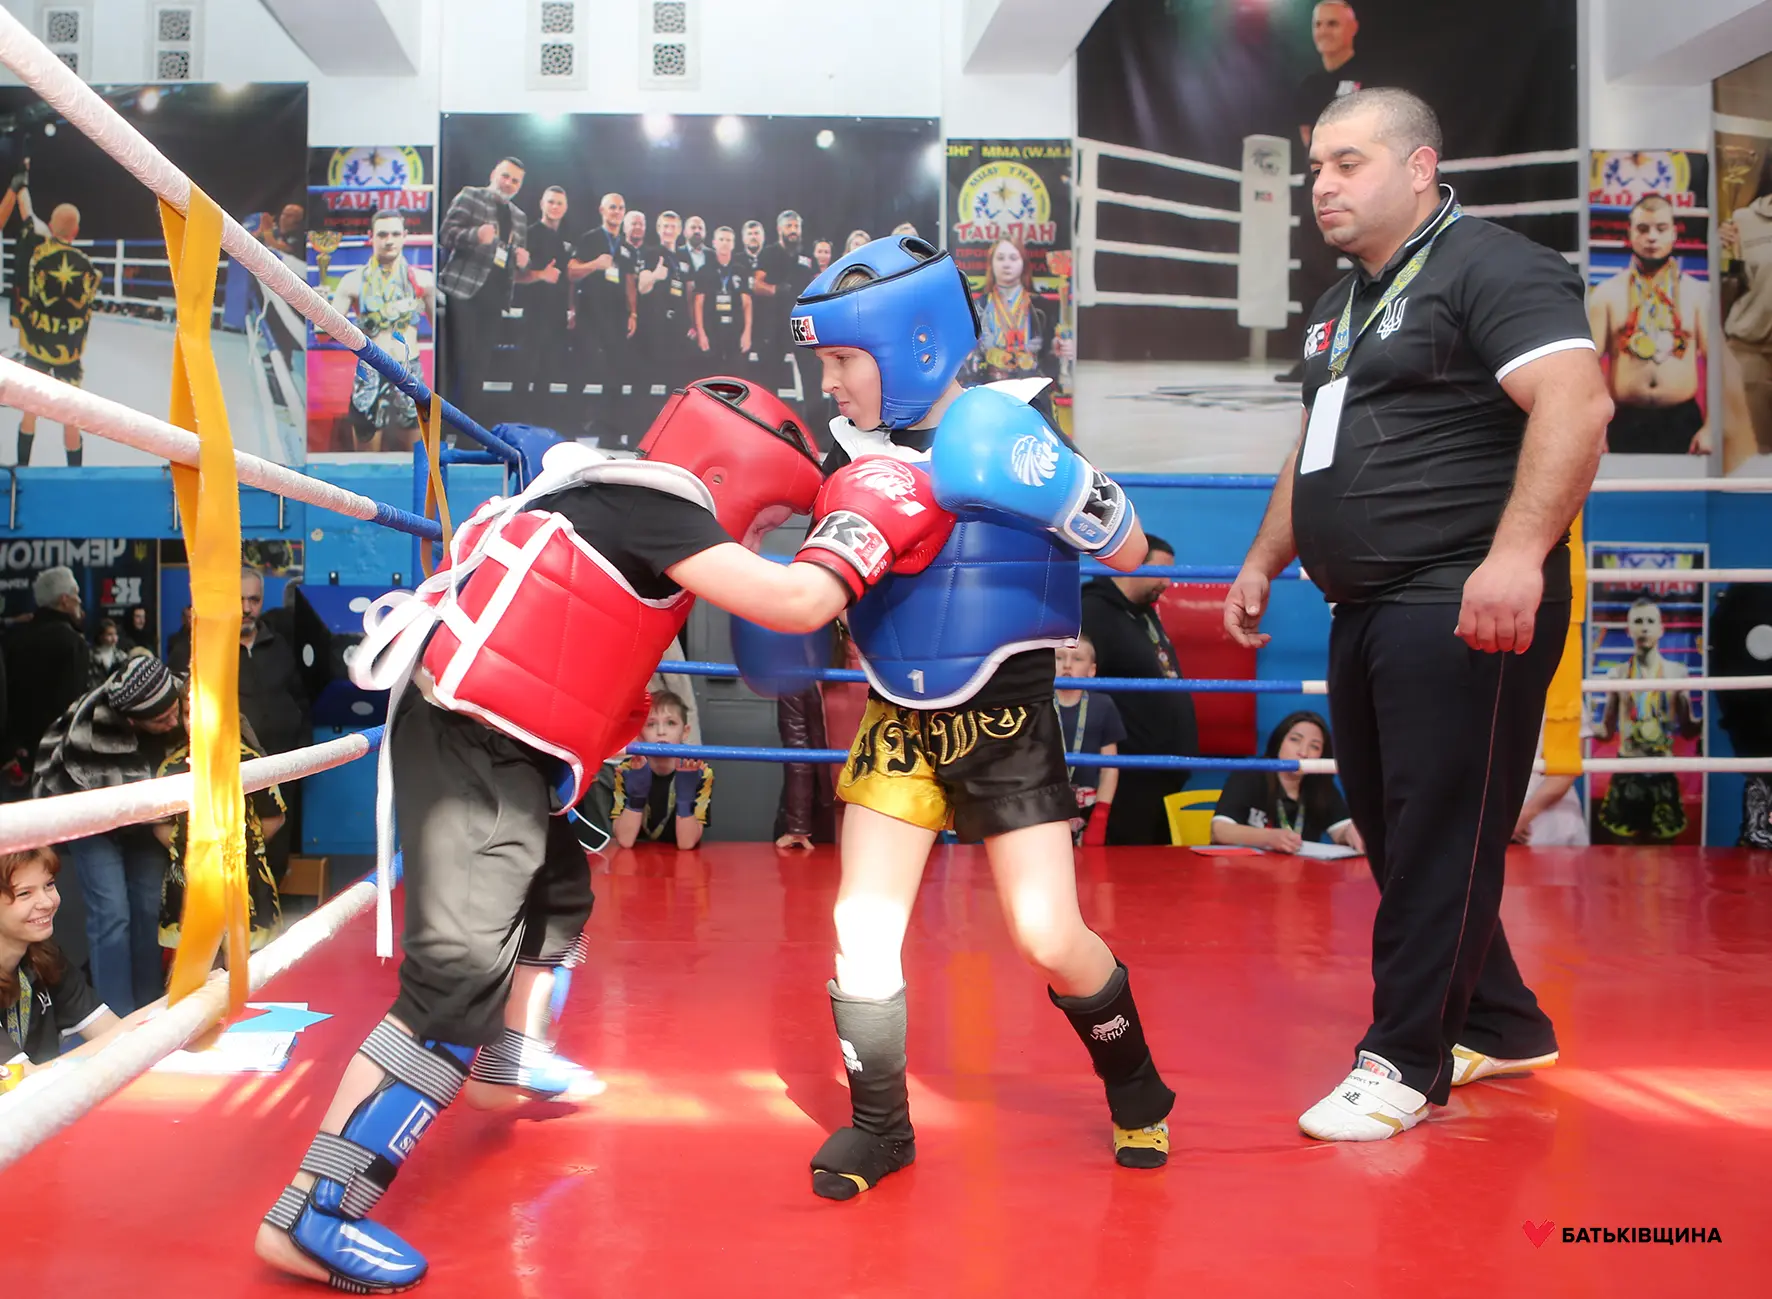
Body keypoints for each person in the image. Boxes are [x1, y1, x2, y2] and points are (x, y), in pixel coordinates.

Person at [256, 378, 957, 1292]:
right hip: (476, 743)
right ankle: (313, 1209)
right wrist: (871, 519)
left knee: (558, 896)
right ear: (731, 472)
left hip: (508, 740)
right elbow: (793, 604)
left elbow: (550, 462)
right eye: (764, 516)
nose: (753, 536)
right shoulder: (662, 510)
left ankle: (508, 1057)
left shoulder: (611, 485)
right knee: (455, 978)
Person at [1224, 89, 1613, 1141]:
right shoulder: (1340, 302)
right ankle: (1501, 1020)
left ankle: (1401, 1061)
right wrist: (1265, 554)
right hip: (1364, 603)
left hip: (1459, 595)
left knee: (1439, 832)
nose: (1321, 186)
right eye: (1315, 168)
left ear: (1418, 167)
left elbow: (1577, 404)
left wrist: (1516, 556)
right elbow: (1317, 440)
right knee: (1401, 832)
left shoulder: (1492, 265)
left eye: (1347, 164)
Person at [781, 234, 1175, 1201]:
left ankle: (1136, 1081)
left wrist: (1059, 482)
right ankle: (881, 1125)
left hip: (1008, 711)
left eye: (843, 359)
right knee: (861, 925)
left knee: (1047, 934)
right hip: (896, 713)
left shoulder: (1019, 421)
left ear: (912, 343)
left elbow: (1132, 555)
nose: (829, 383)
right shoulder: (846, 454)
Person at [33, 655, 184, 1016]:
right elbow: (118, 803)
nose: (174, 721)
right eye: (161, 720)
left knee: (148, 907)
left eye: (174, 711)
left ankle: (150, 1009)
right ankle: (116, 1020)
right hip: (90, 810)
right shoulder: (93, 733)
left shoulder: (182, 694)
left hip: (147, 810)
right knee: (112, 912)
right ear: (133, 721)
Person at [1589, 194, 1747, 456]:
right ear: (1630, 233)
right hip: (1624, 421)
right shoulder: (1606, 294)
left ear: (1674, 233)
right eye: (1643, 229)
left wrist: (1711, 427)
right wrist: (1594, 427)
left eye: (1661, 229)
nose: (1651, 237)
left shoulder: (1698, 294)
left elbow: (1719, 364)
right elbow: (1587, 367)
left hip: (1682, 421)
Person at [1080, 535, 1200, 844]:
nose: (1167, 583)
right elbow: (1077, 684)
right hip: (1129, 773)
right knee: (1126, 861)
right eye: (1161, 572)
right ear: (1132, 566)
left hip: (1161, 770)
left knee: (1156, 864)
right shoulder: (1094, 612)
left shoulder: (1143, 612)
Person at [1, 846, 151, 1092]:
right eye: (25, 893)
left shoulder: (42, 956)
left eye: (49, 885)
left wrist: (185, 1000)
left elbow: (112, 1030)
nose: (47, 902)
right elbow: (26, 1082)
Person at [154, 679, 286, 956]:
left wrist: (236, 850)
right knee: (191, 970)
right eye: (188, 714)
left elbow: (274, 818)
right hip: (187, 883)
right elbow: (161, 824)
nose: (195, 723)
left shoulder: (251, 764)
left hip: (247, 882)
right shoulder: (171, 768)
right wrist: (192, 852)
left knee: (250, 969)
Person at [1278, 0, 1367, 385]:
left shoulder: (1368, 77)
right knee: (1312, 273)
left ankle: (1369, 353)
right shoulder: (1310, 84)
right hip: (1318, 186)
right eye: (1318, 25)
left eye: (1332, 23)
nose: (1324, 32)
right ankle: (1313, 357)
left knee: (1373, 266)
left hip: (1362, 185)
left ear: (1351, 28)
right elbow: (1309, 142)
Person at [1591, 595, 1700, 841]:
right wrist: (1577, 721)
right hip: (1627, 772)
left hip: (1663, 772)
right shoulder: (1618, 674)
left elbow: (1688, 729)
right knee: (1621, 854)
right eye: (1638, 622)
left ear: (1661, 629)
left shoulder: (1677, 673)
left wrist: (1711, 720)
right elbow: (1606, 731)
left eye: (1650, 621)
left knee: (1668, 854)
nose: (1644, 628)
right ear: (1628, 630)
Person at [329, 208, 435, 453]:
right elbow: (329, 329)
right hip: (370, 370)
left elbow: (440, 329)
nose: (389, 241)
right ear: (371, 237)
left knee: (417, 457)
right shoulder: (352, 280)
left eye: (395, 234)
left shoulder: (423, 280)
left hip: (408, 368)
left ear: (405, 236)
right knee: (366, 456)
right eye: (383, 234)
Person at [10, 192, 101, 465]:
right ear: (76, 231)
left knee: (29, 410)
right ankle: (75, 477)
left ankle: (22, 472)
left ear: (50, 226)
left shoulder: (37, 256)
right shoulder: (88, 267)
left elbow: (28, 216)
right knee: (71, 418)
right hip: (69, 351)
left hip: (37, 345)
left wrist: (21, 190)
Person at [437, 157, 530, 412]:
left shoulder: (519, 217)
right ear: (493, 174)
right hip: (463, 292)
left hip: (495, 298)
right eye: (505, 176)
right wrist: (474, 235)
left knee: (479, 364)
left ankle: (468, 425)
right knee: (457, 359)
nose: (509, 183)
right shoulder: (472, 196)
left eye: (515, 181)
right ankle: (443, 421)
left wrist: (522, 261)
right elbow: (445, 235)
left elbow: (512, 257)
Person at [239, 566, 309, 881]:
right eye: (239, 599)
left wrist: (303, 752)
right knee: (235, 861)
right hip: (234, 777)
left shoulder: (280, 645)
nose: (246, 608)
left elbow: (300, 699)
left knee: (276, 862)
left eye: (254, 600)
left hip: (282, 771)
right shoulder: (208, 649)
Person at [1210, 711, 1362, 852]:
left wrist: (1350, 832)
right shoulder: (1250, 774)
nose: (1303, 752)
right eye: (1295, 740)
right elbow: (1220, 830)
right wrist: (1267, 838)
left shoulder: (1320, 784)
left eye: (1314, 747)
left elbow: (1341, 829)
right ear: (1279, 741)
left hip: (1302, 870)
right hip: (1246, 868)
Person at [3, 567, 88, 797]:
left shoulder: (15, 640)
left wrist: (11, 749)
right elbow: (73, 707)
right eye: (76, 593)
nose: (80, 600)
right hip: (58, 762)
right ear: (64, 600)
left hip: (18, 761)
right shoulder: (73, 643)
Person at [569, 194, 641, 443]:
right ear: (602, 210)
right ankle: (569, 431)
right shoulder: (589, 239)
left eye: (621, 208)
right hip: (589, 313)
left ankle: (608, 435)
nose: (616, 212)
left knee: (616, 376)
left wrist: (633, 312)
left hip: (617, 317)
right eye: (612, 207)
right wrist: (595, 264)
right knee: (582, 371)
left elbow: (630, 283)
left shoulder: (627, 247)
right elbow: (571, 272)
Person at [959, 237, 1074, 391]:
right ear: (991, 263)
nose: (1006, 264)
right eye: (1000, 258)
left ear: (1023, 263)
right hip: (989, 388)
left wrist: (1060, 348)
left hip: (1033, 388)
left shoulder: (1044, 307)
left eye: (1013, 258)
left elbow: (1049, 349)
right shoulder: (977, 306)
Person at [611, 693, 713, 850]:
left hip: (681, 859)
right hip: (638, 858)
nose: (661, 731)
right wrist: (636, 797)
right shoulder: (628, 770)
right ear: (640, 735)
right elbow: (625, 840)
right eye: (651, 724)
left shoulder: (699, 771)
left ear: (685, 732)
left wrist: (685, 797)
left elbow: (686, 844)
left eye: (671, 723)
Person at [1054, 635, 1125, 847]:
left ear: (1092, 670)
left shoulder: (1102, 705)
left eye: (1077, 659)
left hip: (1087, 806)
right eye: (1059, 657)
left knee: (1090, 864)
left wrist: (1100, 815)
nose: (1067, 665)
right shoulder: (1038, 704)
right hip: (1046, 807)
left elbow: (1109, 767)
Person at [515, 185, 573, 425]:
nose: (555, 207)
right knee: (525, 371)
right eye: (551, 202)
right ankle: (519, 425)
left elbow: (568, 278)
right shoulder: (528, 234)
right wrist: (540, 275)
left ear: (565, 207)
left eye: (559, 203)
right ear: (542, 204)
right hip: (533, 313)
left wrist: (571, 309)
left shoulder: (566, 239)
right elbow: (513, 276)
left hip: (557, 315)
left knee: (548, 374)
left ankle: (541, 426)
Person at [694, 225, 753, 370]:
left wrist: (747, 333)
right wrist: (701, 333)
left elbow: (747, 304)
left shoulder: (741, 270)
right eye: (721, 239)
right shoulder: (704, 270)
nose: (725, 243)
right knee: (712, 376)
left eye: (728, 240)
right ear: (714, 243)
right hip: (712, 330)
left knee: (736, 376)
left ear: (733, 244)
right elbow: (698, 304)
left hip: (735, 331)